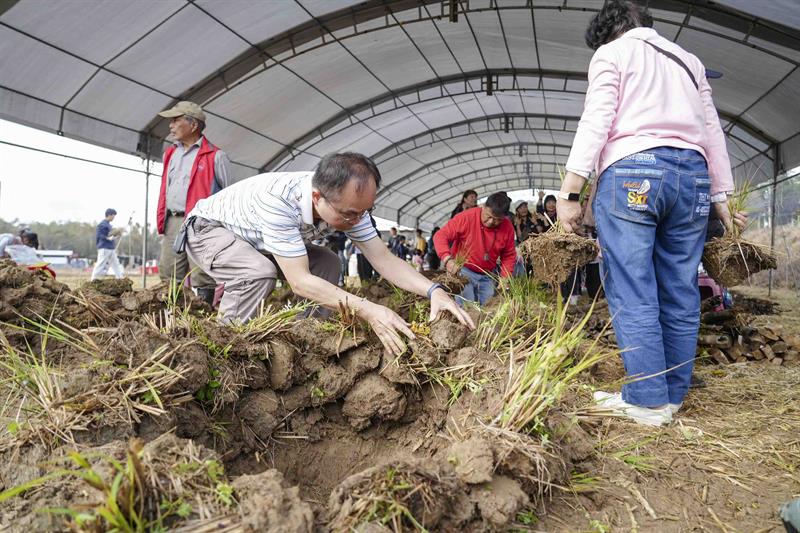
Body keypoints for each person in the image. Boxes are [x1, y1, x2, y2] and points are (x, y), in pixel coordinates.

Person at [557, 0, 747, 426]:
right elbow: (712, 130)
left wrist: (570, 191)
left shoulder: (613, 53)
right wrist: (722, 196)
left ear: (610, 32)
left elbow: (597, 118)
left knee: (632, 285)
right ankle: (672, 395)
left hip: (633, 171)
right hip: (693, 178)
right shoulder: (689, 62)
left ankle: (647, 400)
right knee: (680, 287)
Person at [182, 152, 474, 355]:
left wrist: (433, 290)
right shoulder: (278, 202)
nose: (357, 221)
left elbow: (384, 259)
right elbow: (299, 281)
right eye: (349, 214)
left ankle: (307, 339)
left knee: (328, 262)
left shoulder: (351, 209)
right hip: (209, 229)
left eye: (364, 212)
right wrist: (369, 309)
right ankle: (225, 347)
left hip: (258, 240)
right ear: (317, 198)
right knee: (257, 273)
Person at [156, 101, 234, 305]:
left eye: (176, 120)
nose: (171, 125)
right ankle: (172, 312)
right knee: (169, 271)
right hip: (174, 220)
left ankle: (204, 312)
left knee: (202, 273)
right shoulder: (170, 154)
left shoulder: (216, 156)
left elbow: (229, 196)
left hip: (202, 224)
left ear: (193, 125)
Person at [434, 192, 517, 306]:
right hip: (463, 270)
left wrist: (505, 277)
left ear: (504, 217)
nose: (491, 222)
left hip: (487, 274)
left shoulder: (507, 227)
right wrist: (447, 259)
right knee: (467, 306)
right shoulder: (466, 217)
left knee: (488, 307)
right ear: (483, 206)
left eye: (497, 219)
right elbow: (440, 236)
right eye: (488, 216)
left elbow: (508, 254)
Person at [91, 208, 124, 281]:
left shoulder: (109, 225)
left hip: (111, 248)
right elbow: (100, 236)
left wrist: (117, 235)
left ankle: (120, 279)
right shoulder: (102, 225)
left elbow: (111, 236)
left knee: (116, 264)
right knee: (100, 264)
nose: (114, 218)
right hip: (104, 248)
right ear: (109, 215)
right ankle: (93, 280)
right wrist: (108, 238)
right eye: (113, 216)